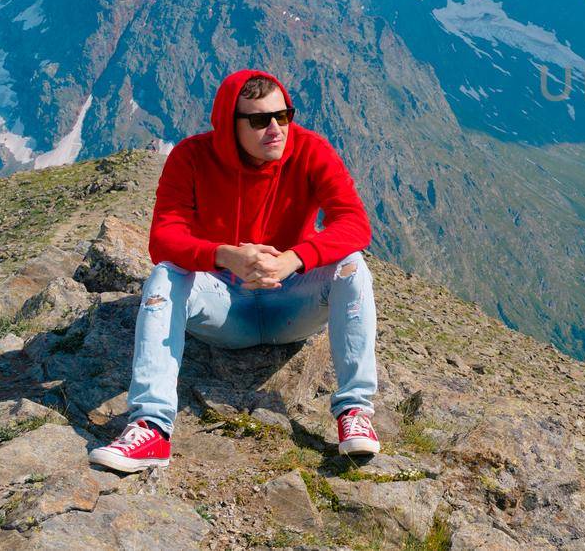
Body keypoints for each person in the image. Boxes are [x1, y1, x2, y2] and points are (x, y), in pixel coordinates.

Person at [88, 69, 381, 473]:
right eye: (260, 120)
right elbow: (163, 239)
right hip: (224, 307)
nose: (276, 129)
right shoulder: (190, 158)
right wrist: (225, 256)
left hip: (292, 300)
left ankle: (355, 412)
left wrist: (293, 259)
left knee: (352, 265)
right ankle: (151, 428)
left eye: (284, 115)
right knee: (164, 276)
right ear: (231, 124)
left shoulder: (311, 150)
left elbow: (354, 223)